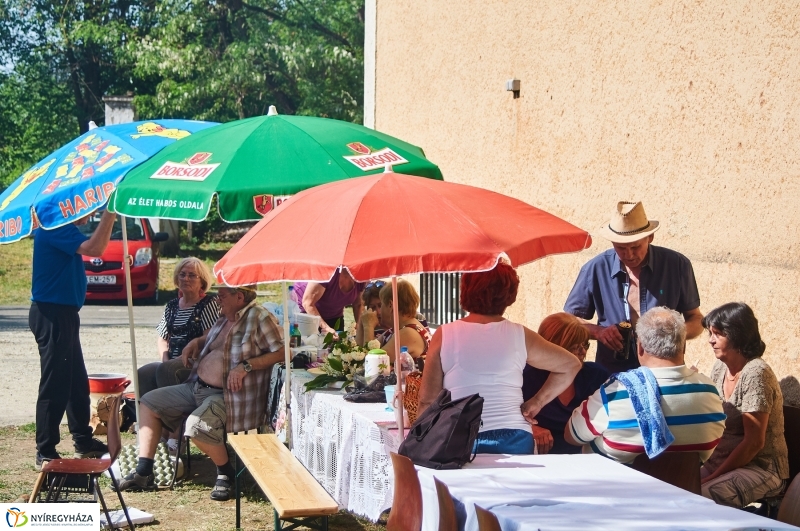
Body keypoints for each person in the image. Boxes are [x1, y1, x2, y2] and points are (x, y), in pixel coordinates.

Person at [117, 285, 284, 500]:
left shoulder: (260, 317)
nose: (216, 300)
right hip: (196, 386)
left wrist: (246, 366)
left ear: (239, 297)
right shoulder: (225, 316)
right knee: (149, 402)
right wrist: (197, 342)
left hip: (228, 396)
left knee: (196, 426)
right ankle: (143, 473)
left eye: (222, 295)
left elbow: (282, 352)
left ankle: (226, 475)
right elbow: (216, 341)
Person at [418, 261, 582, 454]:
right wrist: (536, 402)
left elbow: (427, 401)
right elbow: (570, 365)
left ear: (465, 289)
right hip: (515, 438)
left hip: (460, 438)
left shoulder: (445, 334)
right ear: (509, 295)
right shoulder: (520, 335)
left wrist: (420, 439)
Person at [565, 307, 725, 463]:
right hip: (683, 488)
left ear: (640, 347)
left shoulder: (616, 391)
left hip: (617, 488)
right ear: (683, 346)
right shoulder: (710, 390)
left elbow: (571, 435)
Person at [564, 201, 704, 373]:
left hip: (664, 371)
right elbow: (568, 322)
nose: (629, 255)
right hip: (612, 373)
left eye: (636, 247)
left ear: (650, 238)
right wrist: (599, 332)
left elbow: (696, 319)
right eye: (620, 248)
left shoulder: (677, 265)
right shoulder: (595, 268)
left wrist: (672, 335)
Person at [29, 209, 117, 469]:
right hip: (52, 314)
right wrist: (110, 214)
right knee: (55, 383)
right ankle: (44, 450)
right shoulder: (55, 226)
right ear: (66, 208)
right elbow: (96, 248)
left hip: (62, 313)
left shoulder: (60, 227)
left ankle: (83, 441)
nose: (89, 213)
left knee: (76, 381)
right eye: (84, 208)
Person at [699, 303, 789, 507]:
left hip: (761, 468)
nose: (711, 340)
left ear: (737, 335)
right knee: (675, 486)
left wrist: (713, 476)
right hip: (720, 462)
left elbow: (754, 442)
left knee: (704, 496)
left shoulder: (756, 373)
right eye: (710, 333)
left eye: (718, 334)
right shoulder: (719, 368)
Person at [522, 313, 609, 454]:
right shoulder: (526, 377)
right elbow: (503, 416)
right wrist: (530, 428)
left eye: (585, 344)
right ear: (553, 347)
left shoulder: (596, 375)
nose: (583, 351)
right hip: (541, 457)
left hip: (586, 457)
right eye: (575, 347)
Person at [138, 258, 220, 398]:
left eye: (192, 275)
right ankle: (147, 413)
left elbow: (209, 337)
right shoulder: (172, 305)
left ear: (202, 281)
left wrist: (171, 363)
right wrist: (165, 358)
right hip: (171, 359)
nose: (186, 278)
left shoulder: (208, 303)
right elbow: (162, 339)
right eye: (182, 274)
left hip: (196, 362)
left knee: (167, 370)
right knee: (143, 373)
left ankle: (170, 415)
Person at [358, 280, 430, 363]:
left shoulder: (408, 333)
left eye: (381, 305)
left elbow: (372, 363)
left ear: (390, 305)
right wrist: (361, 323)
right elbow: (361, 354)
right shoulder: (395, 330)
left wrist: (368, 327)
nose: (379, 311)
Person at [292, 268, 364, 334]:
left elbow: (358, 304)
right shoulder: (325, 272)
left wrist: (359, 324)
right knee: (312, 345)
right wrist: (326, 328)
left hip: (334, 314)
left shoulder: (361, 277)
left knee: (337, 345)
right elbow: (308, 303)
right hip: (308, 311)